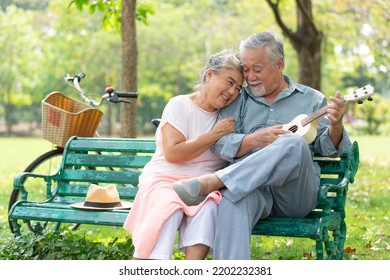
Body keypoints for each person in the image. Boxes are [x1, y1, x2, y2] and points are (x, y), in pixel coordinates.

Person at [172, 31, 352, 259]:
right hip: (252, 190)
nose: (250, 76)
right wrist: (253, 140)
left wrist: (336, 126)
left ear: (279, 64)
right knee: (232, 198)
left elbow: (327, 148)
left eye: (257, 69)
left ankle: (217, 181)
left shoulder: (312, 99)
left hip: (295, 194)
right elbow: (218, 143)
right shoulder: (239, 99)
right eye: (245, 70)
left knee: (293, 143)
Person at [123, 49, 243, 260]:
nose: (232, 91)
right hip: (164, 181)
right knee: (171, 208)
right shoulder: (180, 105)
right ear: (209, 75)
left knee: (209, 208)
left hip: (203, 186)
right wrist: (215, 134)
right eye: (229, 82)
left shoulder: (230, 117)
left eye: (238, 88)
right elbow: (173, 153)